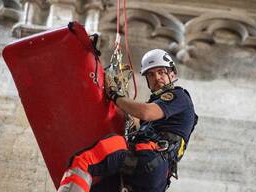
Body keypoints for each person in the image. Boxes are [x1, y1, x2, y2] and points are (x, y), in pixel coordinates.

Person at [57, 49, 198, 192]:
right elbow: (139, 121)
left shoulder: (178, 96)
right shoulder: (159, 109)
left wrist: (115, 95)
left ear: (172, 73)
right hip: (152, 178)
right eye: (151, 74)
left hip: (148, 159)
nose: (156, 77)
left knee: (84, 161)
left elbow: (146, 112)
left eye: (161, 72)